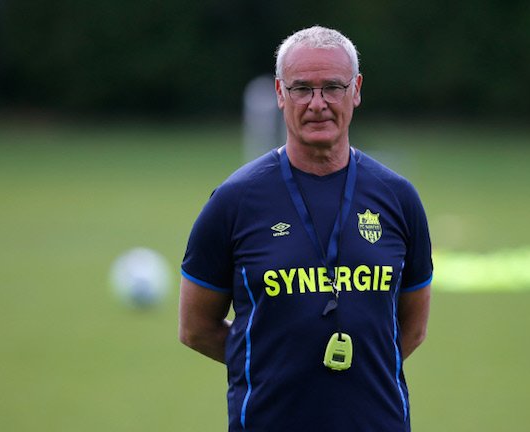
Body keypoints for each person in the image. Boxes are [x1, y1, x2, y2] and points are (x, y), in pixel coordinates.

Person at [179, 25, 433, 432]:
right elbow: (195, 328)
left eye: (333, 86)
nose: (318, 103)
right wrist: (273, 364)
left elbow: (414, 327)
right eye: (302, 89)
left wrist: (360, 372)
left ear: (357, 90)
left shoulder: (398, 198)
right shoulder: (234, 201)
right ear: (280, 93)